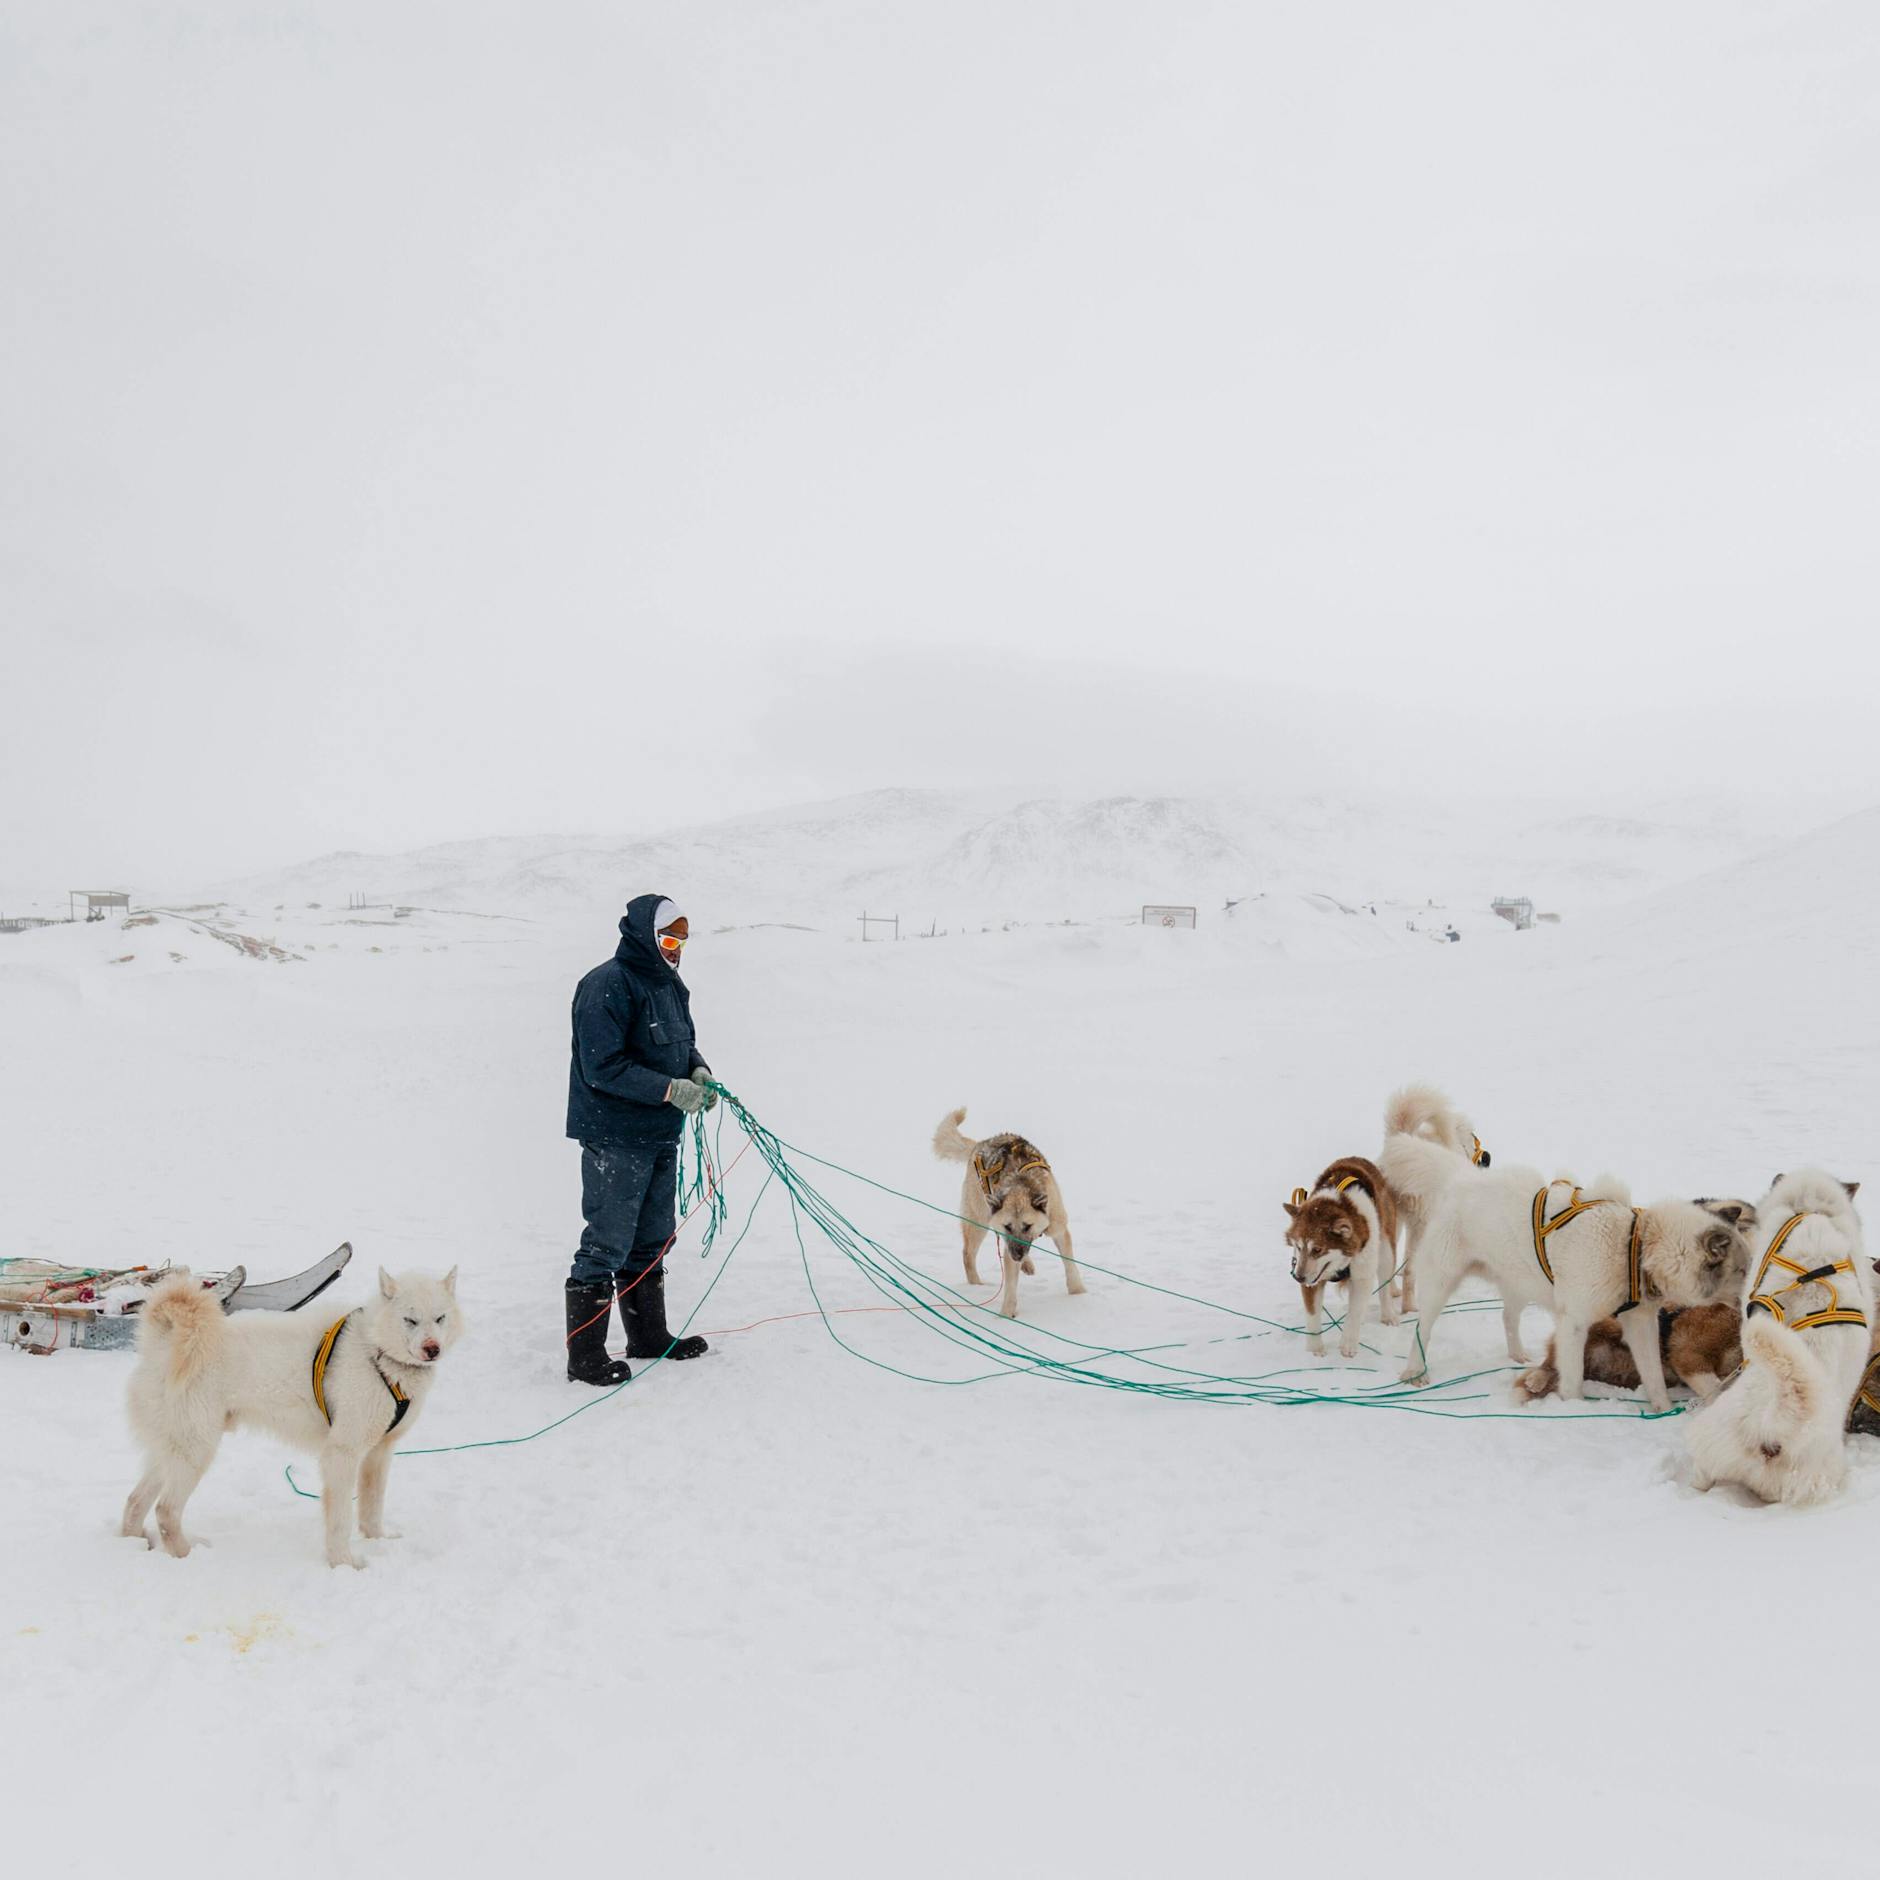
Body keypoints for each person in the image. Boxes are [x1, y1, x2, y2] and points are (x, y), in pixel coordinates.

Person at [563, 893, 717, 1385]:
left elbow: (683, 1041)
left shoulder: (669, 984)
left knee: (653, 1238)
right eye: (668, 940)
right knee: (607, 1242)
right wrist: (670, 1089)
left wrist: (698, 1070)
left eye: (681, 941)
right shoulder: (606, 984)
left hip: (660, 1132)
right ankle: (585, 1357)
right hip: (615, 1135)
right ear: (644, 936)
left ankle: (648, 1337)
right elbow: (601, 1066)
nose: (676, 950)